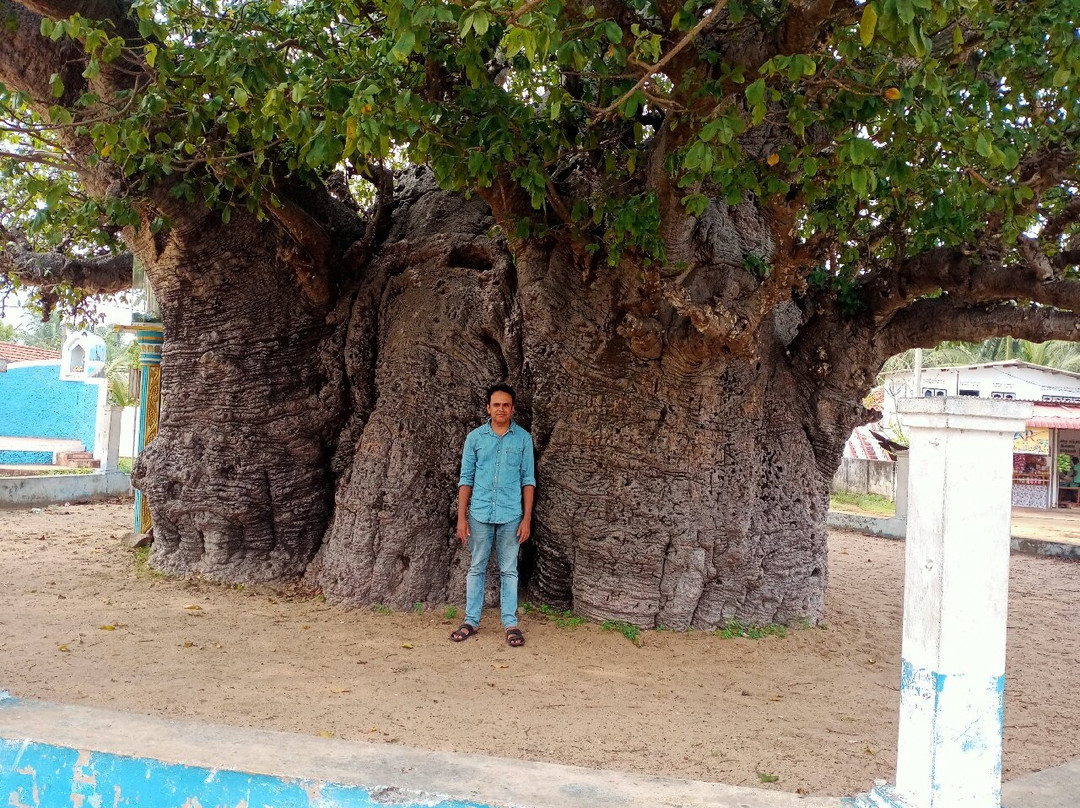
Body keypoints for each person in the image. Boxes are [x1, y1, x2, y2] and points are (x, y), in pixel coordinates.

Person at [450, 384, 535, 647]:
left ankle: (510, 623)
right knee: (477, 567)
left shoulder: (523, 439)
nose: (501, 409)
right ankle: (471, 621)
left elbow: (528, 480)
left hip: (511, 514)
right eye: (496, 404)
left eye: (506, 405)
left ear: (512, 408)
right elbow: (466, 479)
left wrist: (527, 518)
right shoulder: (475, 438)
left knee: (509, 570)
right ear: (488, 408)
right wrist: (461, 518)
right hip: (479, 513)